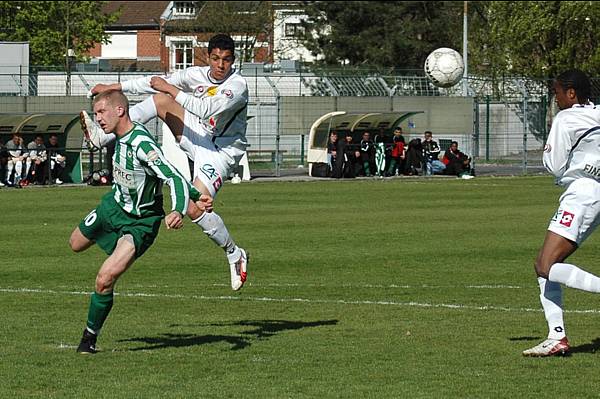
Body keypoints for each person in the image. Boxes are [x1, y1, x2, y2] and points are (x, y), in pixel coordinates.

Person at [81, 33, 249, 291]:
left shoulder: (237, 86)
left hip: (220, 151)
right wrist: (114, 88)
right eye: (215, 59)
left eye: (226, 60)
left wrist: (169, 87)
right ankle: (101, 136)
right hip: (199, 134)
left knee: (194, 208)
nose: (220, 65)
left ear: (233, 60)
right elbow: (154, 84)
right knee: (160, 100)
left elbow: (205, 109)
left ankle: (234, 253)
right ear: (208, 57)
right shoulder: (196, 74)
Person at [70, 90, 212, 354]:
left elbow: (174, 177)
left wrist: (179, 209)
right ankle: (118, 251)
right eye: (96, 113)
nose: (97, 118)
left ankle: (89, 338)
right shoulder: (119, 136)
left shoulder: (142, 145)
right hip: (113, 206)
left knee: (104, 278)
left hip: (141, 222)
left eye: (101, 112)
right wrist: (197, 195)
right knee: (75, 244)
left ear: (119, 111)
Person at [522, 69, 600, 357]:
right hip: (595, 194)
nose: (555, 98)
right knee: (544, 265)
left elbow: (554, 165)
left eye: (556, 92)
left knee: (545, 266)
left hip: (580, 194)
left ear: (571, 93)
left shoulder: (566, 118)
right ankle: (557, 336)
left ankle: (558, 337)